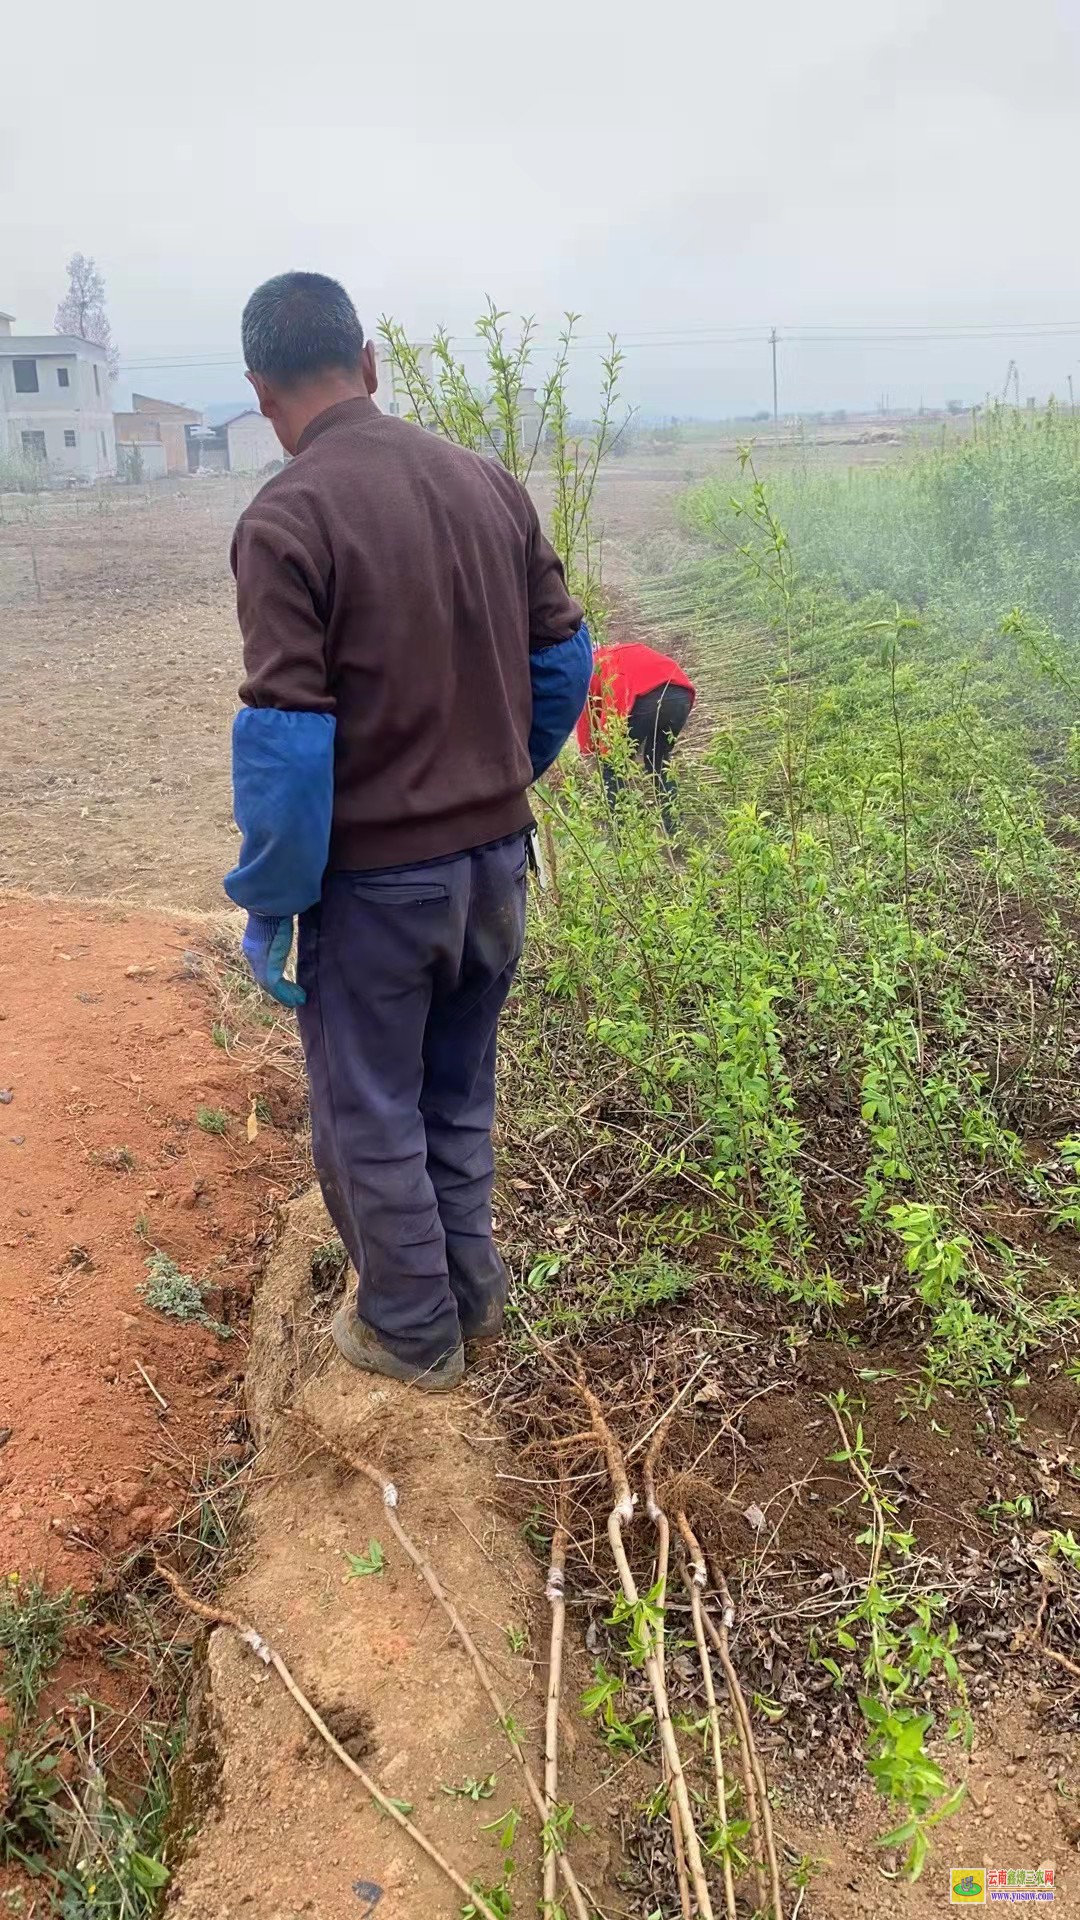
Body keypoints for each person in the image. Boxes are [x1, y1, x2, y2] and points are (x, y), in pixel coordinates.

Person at [224, 272, 591, 1393]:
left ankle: (409, 1330)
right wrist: (489, 781)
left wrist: (274, 899)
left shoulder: (287, 518)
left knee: (367, 1110)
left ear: (260, 391)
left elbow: (286, 745)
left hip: (381, 893)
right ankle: (471, 1293)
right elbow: (565, 662)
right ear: (368, 361)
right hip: (496, 870)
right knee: (454, 1094)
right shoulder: (486, 483)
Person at [576, 639, 695, 831]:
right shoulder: (624, 651)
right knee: (658, 760)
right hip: (680, 695)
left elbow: (586, 719)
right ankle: (674, 827)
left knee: (613, 766)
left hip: (645, 698)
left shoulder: (590, 666)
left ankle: (621, 833)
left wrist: (593, 755)